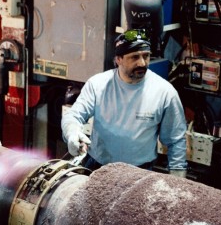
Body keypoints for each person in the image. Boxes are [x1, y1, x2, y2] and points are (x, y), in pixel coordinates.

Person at [61, 29, 187, 177]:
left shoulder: (165, 92)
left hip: (140, 173)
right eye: (134, 57)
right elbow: (74, 116)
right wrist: (72, 133)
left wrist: (178, 180)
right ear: (118, 59)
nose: (142, 63)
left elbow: (176, 141)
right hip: (98, 167)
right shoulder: (98, 85)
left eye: (146, 56)